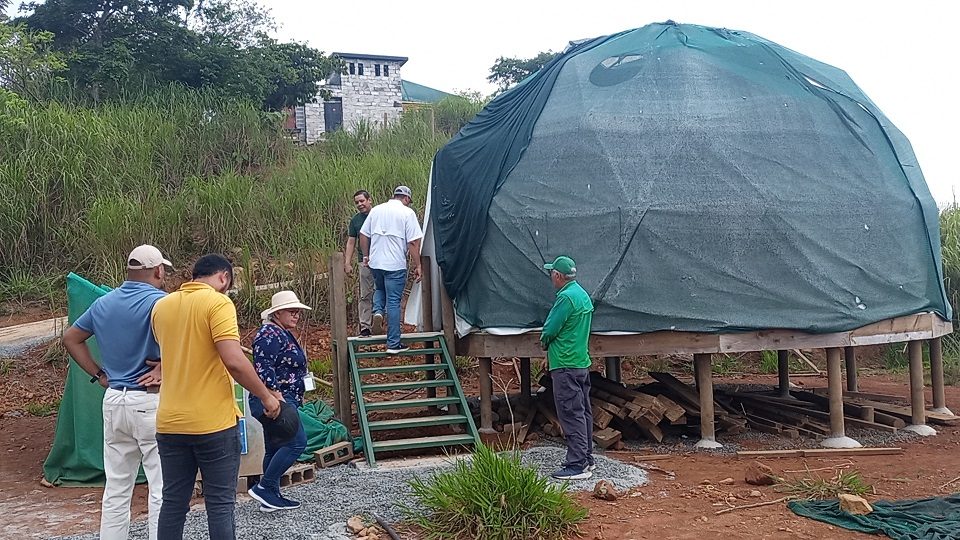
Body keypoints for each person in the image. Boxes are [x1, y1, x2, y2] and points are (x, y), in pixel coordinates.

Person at [151, 254, 281, 540]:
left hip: (170, 422)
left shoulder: (162, 307)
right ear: (223, 277)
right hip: (213, 424)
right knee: (220, 505)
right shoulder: (218, 302)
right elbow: (234, 360)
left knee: (173, 502)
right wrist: (267, 396)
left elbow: (175, 354)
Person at [62, 244, 171, 540]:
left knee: (117, 488)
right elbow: (187, 344)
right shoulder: (162, 303)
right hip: (150, 401)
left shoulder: (104, 303)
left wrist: (99, 374)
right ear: (158, 270)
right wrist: (165, 365)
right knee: (162, 486)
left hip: (114, 400)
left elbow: (71, 338)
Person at [246, 290, 311, 512]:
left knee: (274, 446)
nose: (296, 315)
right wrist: (275, 395)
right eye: (292, 311)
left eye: (298, 312)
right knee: (297, 442)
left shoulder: (279, 332)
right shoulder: (269, 335)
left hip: (278, 396)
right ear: (278, 313)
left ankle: (269, 497)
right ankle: (265, 487)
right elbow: (263, 367)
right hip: (276, 398)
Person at [539, 255, 596, 481]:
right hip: (580, 362)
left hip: (565, 364)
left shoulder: (565, 298)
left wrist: (545, 345)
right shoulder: (582, 295)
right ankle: (587, 457)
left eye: (552, 272)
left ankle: (577, 464)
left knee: (571, 413)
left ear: (558, 276)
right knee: (583, 412)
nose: (551, 276)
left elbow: (550, 329)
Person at [359, 185, 424, 353]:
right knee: (394, 302)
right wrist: (418, 265)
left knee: (379, 288)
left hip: (376, 262)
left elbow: (363, 234)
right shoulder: (407, 213)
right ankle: (393, 344)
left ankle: (378, 311)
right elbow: (413, 242)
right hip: (395, 264)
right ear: (407, 199)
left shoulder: (377, 210)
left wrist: (366, 256)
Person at [344, 190, 374, 336]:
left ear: (369, 200)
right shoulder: (355, 220)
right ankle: (365, 327)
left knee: (385, 292)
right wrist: (347, 262)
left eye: (362, 201)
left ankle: (386, 323)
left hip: (383, 261)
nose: (360, 204)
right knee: (365, 294)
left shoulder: (379, 215)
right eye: (357, 202)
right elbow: (351, 242)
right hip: (364, 262)